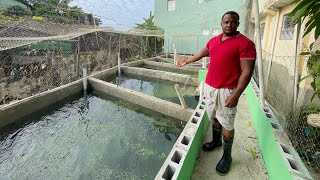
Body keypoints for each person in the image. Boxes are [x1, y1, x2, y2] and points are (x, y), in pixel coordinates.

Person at [177, 11, 256, 175]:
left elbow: (246, 72)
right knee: (213, 116)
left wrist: (236, 95)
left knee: (227, 123)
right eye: (226, 22)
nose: (229, 25)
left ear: (238, 24)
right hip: (210, 87)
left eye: (233, 22)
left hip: (227, 91)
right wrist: (188, 60)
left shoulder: (245, 44)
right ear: (221, 23)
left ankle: (227, 156)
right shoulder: (214, 40)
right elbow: (203, 52)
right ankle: (215, 142)